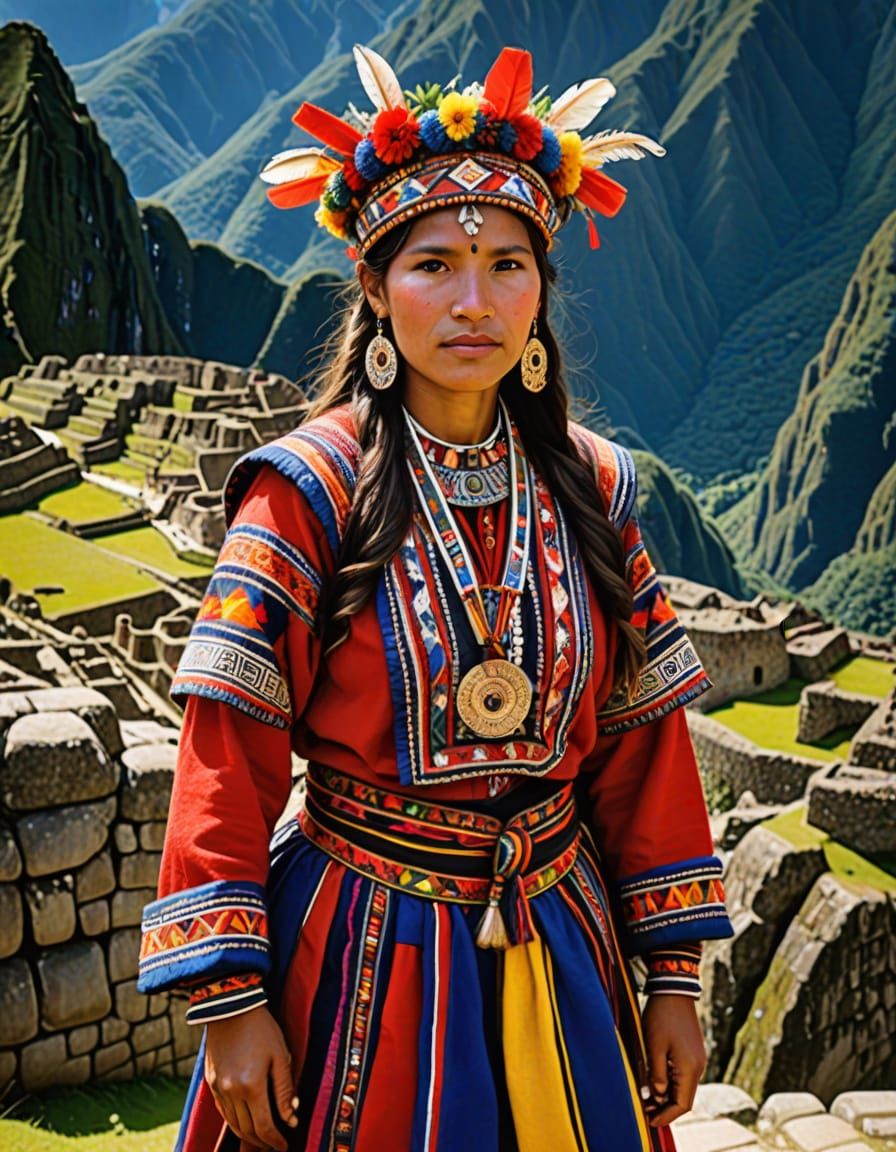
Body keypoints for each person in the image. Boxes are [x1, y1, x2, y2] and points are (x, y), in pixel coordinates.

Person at [138, 44, 734, 1152]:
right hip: (360, 947)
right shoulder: (306, 496)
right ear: (373, 286)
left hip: (562, 945)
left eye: (509, 265)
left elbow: (642, 745)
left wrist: (674, 978)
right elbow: (226, 747)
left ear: (542, 290)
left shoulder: (595, 490)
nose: (475, 302)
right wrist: (229, 1002)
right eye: (433, 267)